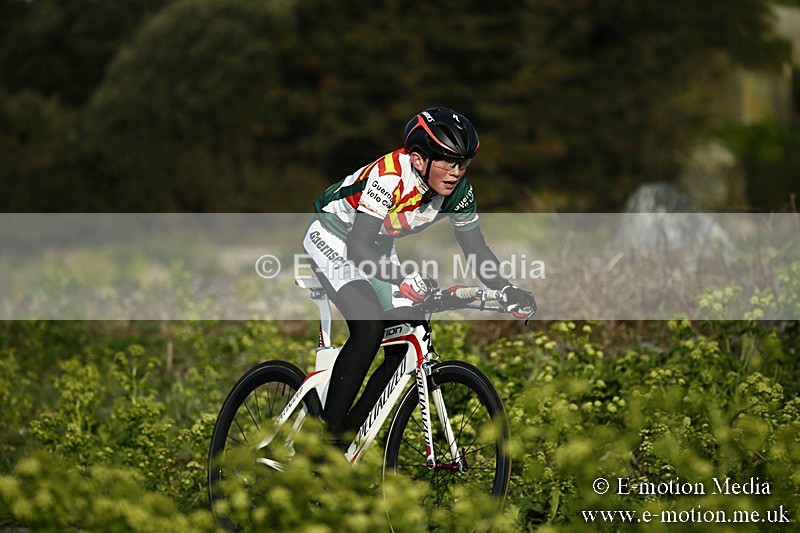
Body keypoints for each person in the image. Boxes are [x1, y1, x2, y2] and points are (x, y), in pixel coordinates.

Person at [302, 107, 536, 442]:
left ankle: (349, 437)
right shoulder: (390, 176)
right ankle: (324, 440)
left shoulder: (458, 191)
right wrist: (400, 279)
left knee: (406, 337)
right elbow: (357, 248)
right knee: (368, 328)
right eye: (447, 161)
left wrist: (506, 287)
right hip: (336, 236)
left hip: (377, 245)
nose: (456, 172)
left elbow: (476, 248)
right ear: (417, 159)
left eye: (463, 162)